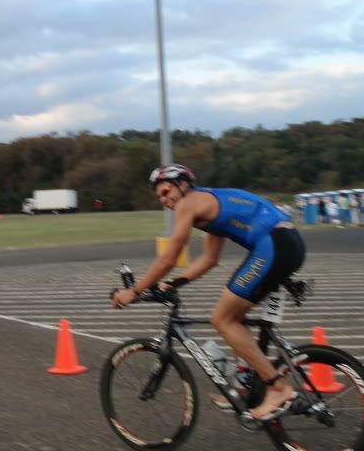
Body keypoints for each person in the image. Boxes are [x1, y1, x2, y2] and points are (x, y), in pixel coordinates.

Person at [110, 163, 306, 421]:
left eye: (166, 191)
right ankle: (245, 386)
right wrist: (172, 284)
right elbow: (209, 259)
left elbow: (169, 257)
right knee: (234, 317)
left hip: (272, 246)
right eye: (159, 197)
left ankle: (278, 388)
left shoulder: (188, 203)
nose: (164, 200)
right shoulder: (209, 204)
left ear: (183, 184)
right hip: (288, 245)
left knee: (221, 318)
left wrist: (134, 291)